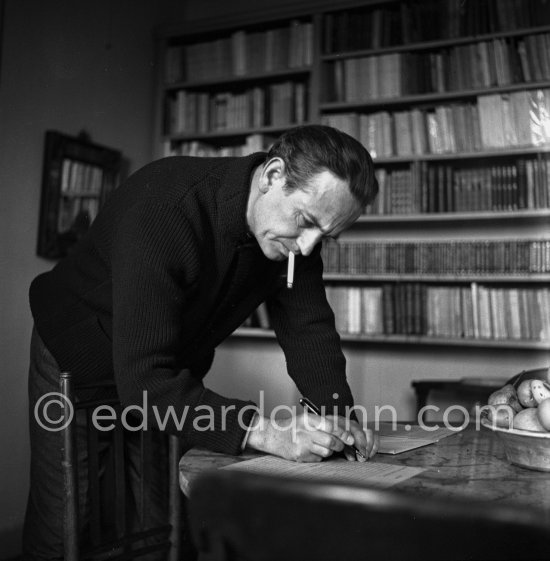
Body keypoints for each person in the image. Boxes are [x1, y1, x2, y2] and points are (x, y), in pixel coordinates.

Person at [23, 124, 379, 559]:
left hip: (165, 373)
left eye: (326, 236)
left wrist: (337, 419)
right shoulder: (166, 207)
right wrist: (268, 433)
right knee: (65, 528)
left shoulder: (296, 238)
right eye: (305, 222)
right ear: (272, 176)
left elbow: (310, 330)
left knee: (163, 524)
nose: (307, 248)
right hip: (76, 358)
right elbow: (144, 384)